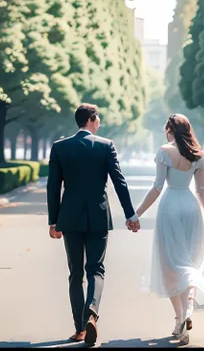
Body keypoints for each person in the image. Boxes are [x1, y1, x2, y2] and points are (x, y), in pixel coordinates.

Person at [135, 114, 204, 344]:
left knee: (170, 263)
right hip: (191, 207)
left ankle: (179, 318)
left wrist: (136, 213)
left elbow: (157, 187)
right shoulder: (197, 155)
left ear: (170, 129)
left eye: (167, 129)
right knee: (190, 261)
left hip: (170, 206)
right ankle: (189, 307)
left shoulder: (164, 151)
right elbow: (202, 188)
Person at [47, 103, 141, 345]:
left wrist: (53, 221)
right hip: (98, 216)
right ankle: (92, 312)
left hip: (69, 217)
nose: (99, 121)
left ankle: (79, 329)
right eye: (97, 117)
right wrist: (130, 214)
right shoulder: (106, 146)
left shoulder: (60, 147)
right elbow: (119, 182)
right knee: (96, 269)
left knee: (75, 273)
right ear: (91, 119)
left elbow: (53, 186)